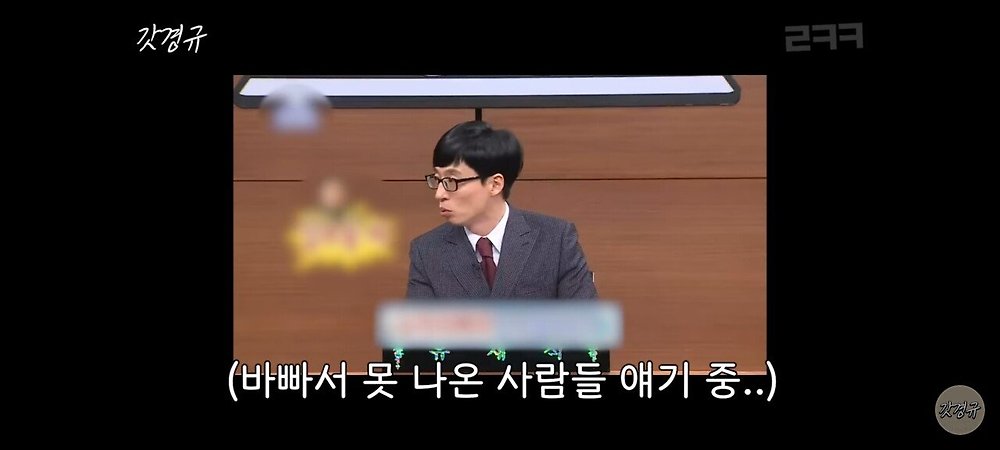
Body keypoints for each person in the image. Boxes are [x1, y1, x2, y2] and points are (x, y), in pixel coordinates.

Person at [405, 120, 597, 300]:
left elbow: (585, 320)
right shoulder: (427, 251)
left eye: (451, 181)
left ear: (495, 184)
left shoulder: (556, 239)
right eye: (437, 180)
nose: (439, 194)